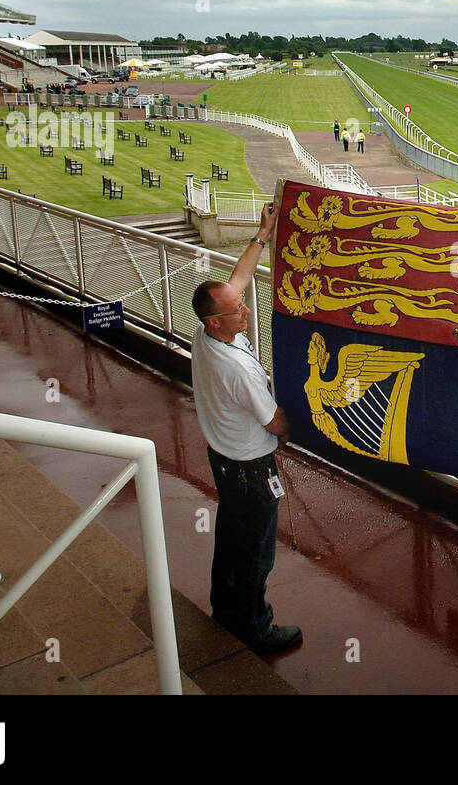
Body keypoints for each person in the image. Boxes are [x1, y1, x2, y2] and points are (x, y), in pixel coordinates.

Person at [190, 202, 302, 652]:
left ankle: (225, 608)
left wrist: (262, 234)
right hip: (252, 468)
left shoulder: (205, 333)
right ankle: (254, 627)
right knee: (257, 547)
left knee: (232, 536)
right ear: (216, 321)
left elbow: (237, 279)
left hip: (223, 459)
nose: (248, 313)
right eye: (239, 312)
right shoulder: (238, 369)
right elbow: (273, 420)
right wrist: (291, 433)